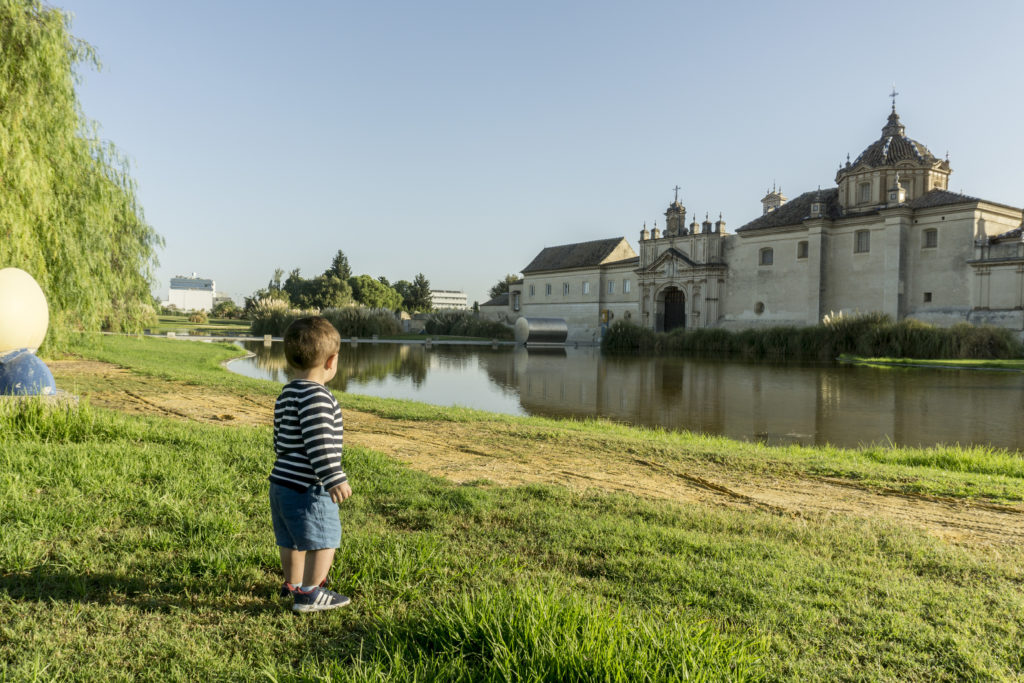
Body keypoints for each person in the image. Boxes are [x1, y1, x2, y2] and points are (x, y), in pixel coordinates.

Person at [268, 316, 353, 613]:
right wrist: (333, 476)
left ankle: (291, 584)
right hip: (307, 485)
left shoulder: (288, 392)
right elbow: (320, 442)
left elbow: (279, 438)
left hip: (281, 481)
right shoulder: (319, 396)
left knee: (291, 538)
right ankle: (310, 593)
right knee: (324, 537)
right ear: (332, 362)